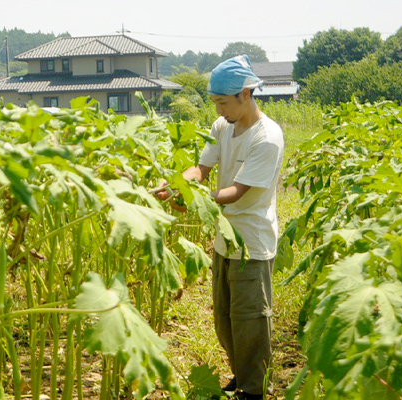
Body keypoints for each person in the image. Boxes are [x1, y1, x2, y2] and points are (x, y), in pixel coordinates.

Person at [156, 55, 283, 400]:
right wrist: (176, 185)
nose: (218, 110)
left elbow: (238, 191)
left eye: (222, 102)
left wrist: (197, 200)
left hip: (252, 242)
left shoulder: (267, 137)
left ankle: (255, 390)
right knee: (226, 322)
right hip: (225, 240)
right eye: (214, 103)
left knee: (251, 322)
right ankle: (242, 376)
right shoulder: (221, 127)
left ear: (245, 94)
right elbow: (201, 169)